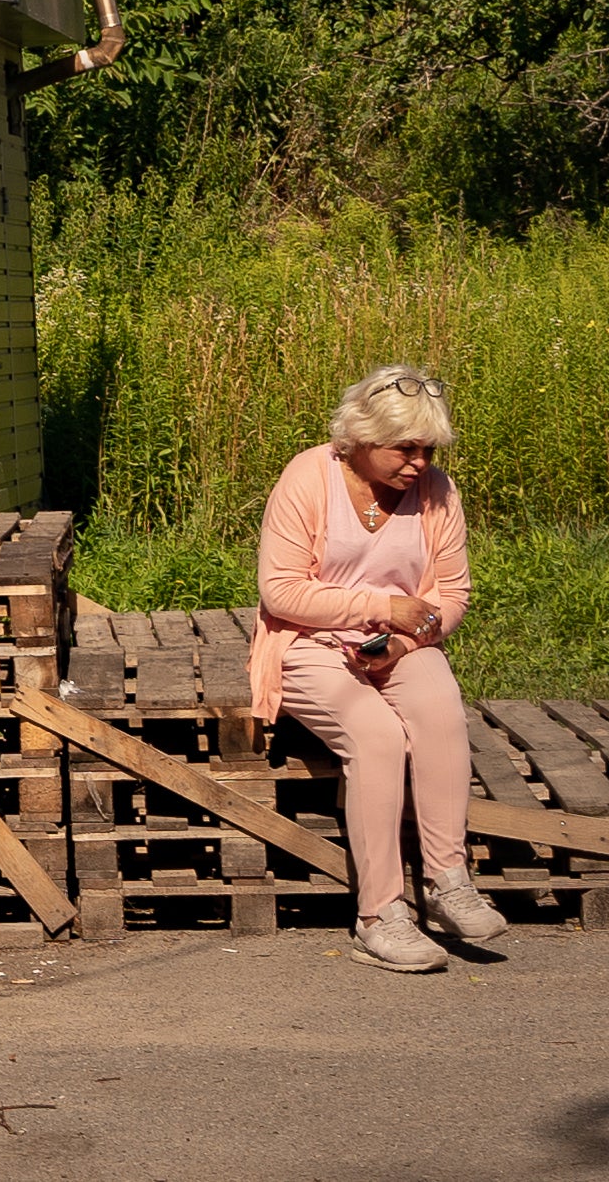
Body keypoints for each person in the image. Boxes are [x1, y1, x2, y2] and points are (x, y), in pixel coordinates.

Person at [247, 365, 508, 972]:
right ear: (360, 439)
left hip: (399, 641)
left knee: (441, 709)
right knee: (377, 735)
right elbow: (281, 592)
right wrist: (380, 606)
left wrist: (403, 640)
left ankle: (447, 879)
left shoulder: (438, 493)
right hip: (306, 641)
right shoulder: (308, 476)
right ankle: (379, 915)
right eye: (404, 449)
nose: (418, 463)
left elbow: (452, 596)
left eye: (427, 449)